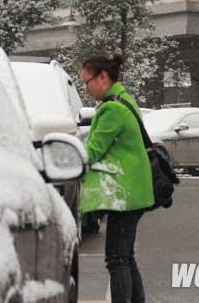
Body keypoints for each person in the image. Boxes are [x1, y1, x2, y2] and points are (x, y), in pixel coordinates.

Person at [80, 54, 154, 303]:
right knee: (125, 256)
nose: (86, 88)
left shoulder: (112, 108)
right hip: (133, 190)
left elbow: (92, 151)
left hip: (125, 193)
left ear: (102, 77)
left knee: (117, 259)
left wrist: (69, 157)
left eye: (87, 81)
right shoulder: (124, 99)